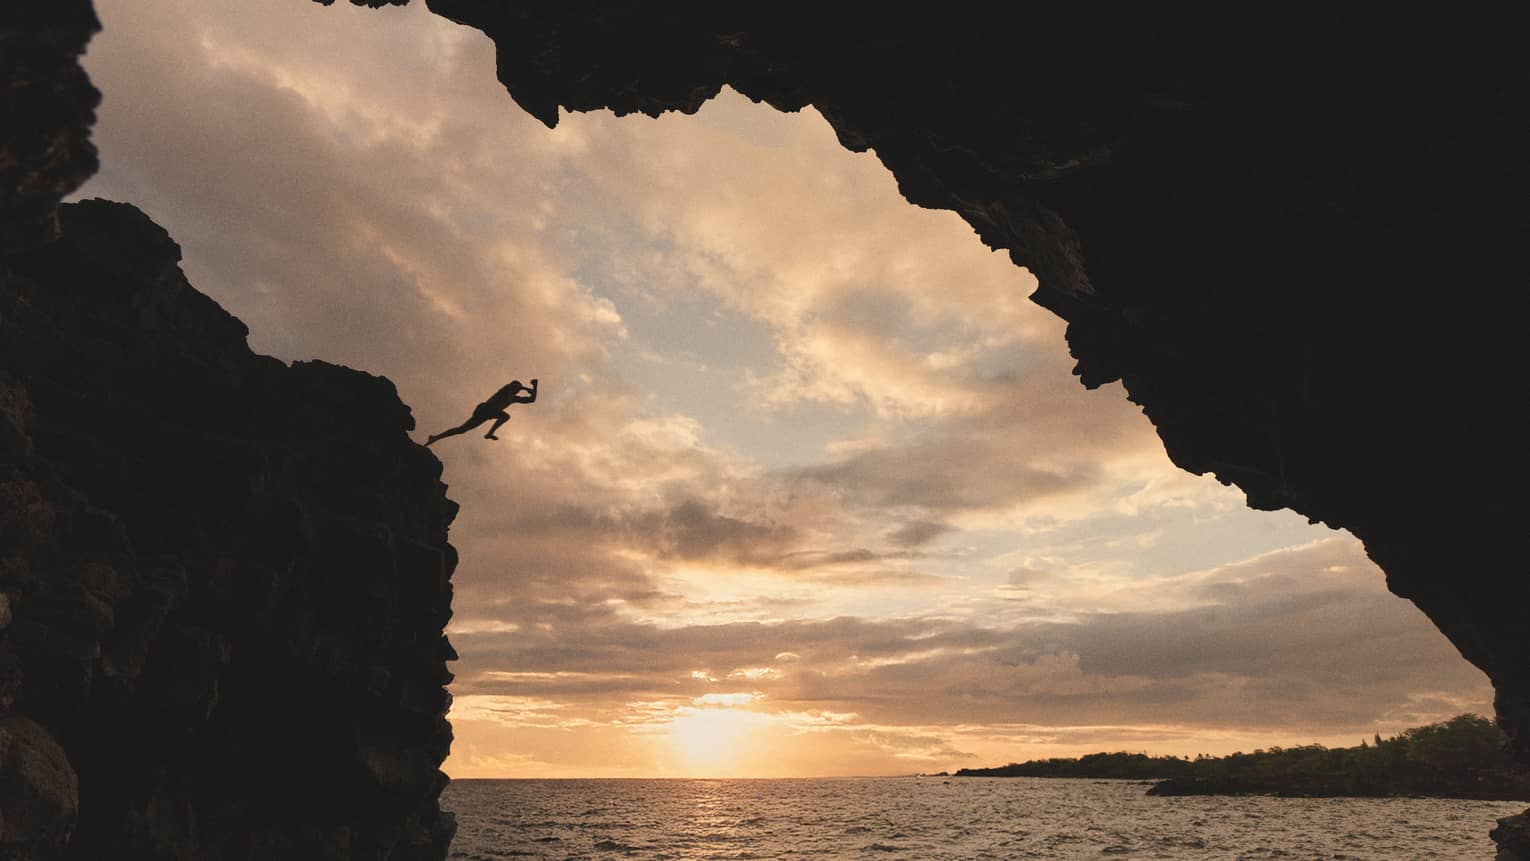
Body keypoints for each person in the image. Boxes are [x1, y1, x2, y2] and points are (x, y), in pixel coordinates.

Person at [426, 378, 538, 446]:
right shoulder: (505, 390)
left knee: (462, 429)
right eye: (517, 388)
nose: (517, 390)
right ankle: (490, 433)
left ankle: (435, 437)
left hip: (488, 413)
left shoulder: (513, 398)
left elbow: (531, 400)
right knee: (505, 416)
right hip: (485, 408)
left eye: (518, 389)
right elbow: (512, 385)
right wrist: (527, 388)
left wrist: (535, 387)